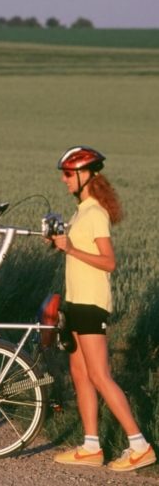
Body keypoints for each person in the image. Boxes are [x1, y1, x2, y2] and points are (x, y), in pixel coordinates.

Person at [49, 146, 155, 472]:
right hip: (77, 302)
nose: (64, 180)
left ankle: (140, 446)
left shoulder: (95, 214)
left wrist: (71, 248)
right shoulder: (82, 211)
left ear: (84, 175)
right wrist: (61, 243)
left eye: (68, 174)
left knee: (99, 375)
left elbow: (109, 262)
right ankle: (91, 447)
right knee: (80, 375)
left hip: (93, 305)